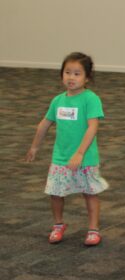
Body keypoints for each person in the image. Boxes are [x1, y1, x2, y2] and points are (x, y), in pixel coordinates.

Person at [25, 52, 108, 246]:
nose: (71, 77)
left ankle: (93, 229)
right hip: (60, 158)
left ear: (87, 78)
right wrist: (35, 147)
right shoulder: (58, 101)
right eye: (67, 72)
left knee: (90, 193)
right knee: (56, 193)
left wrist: (79, 153)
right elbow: (45, 124)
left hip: (85, 158)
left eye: (77, 73)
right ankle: (58, 224)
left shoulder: (90, 99)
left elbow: (93, 127)